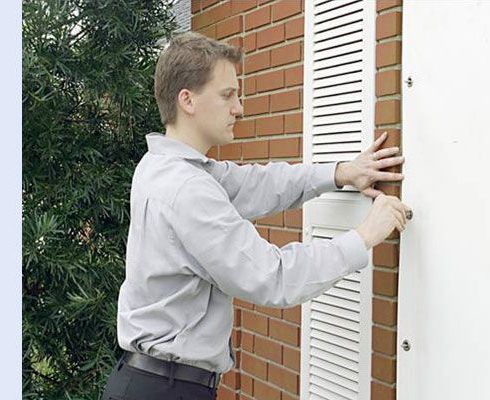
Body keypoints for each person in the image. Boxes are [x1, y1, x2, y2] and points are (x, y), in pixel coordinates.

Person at [101, 31, 411, 400]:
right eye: (227, 95)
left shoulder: (163, 167)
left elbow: (255, 184)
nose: (239, 108)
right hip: (166, 390)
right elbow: (273, 277)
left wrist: (339, 171)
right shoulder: (187, 189)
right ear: (188, 100)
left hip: (150, 383)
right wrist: (364, 236)